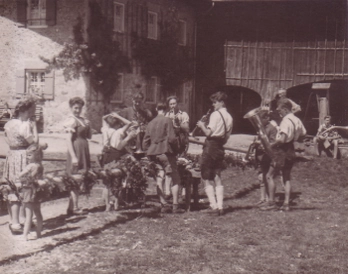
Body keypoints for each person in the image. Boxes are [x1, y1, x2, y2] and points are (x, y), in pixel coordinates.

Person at [262, 98, 306, 211]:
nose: (279, 112)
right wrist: (294, 137)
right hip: (291, 149)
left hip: (281, 151)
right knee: (286, 177)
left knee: (269, 176)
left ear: (285, 109)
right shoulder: (297, 120)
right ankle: (286, 204)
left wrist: (271, 144)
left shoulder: (285, 121)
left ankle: (271, 203)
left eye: (280, 110)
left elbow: (282, 139)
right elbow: (303, 134)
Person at [3, 98, 38, 234]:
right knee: (24, 188)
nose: (33, 113)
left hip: (12, 155)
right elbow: (34, 143)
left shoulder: (9, 124)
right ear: (25, 110)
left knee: (12, 188)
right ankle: (24, 220)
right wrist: (35, 129)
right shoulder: (25, 125)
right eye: (32, 110)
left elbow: (7, 139)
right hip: (24, 156)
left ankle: (14, 222)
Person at [142, 102, 184, 214]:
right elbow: (172, 139)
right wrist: (177, 150)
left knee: (160, 178)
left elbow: (145, 142)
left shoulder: (150, 123)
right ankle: (175, 205)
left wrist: (148, 152)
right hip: (166, 152)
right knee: (175, 178)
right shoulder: (167, 120)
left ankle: (163, 204)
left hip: (153, 154)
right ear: (165, 110)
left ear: (156, 109)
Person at [196, 91, 233, 216]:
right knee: (217, 174)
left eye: (215, 102)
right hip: (220, 147)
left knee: (206, 175)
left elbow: (208, 133)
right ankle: (221, 206)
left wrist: (201, 125)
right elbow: (227, 137)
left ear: (222, 102)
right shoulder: (229, 117)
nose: (213, 105)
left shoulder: (215, 115)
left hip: (211, 146)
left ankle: (213, 206)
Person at [100, 112, 137, 211]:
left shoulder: (105, 130)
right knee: (117, 181)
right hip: (115, 156)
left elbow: (103, 118)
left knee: (107, 182)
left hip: (106, 156)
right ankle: (116, 204)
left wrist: (108, 115)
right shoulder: (119, 132)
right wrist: (118, 116)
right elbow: (129, 123)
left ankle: (107, 205)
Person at [63, 97, 91, 216]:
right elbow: (68, 140)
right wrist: (74, 156)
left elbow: (89, 136)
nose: (77, 110)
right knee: (75, 177)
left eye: (79, 108)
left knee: (79, 177)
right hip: (76, 149)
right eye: (75, 108)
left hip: (83, 149)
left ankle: (71, 208)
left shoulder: (82, 120)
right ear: (71, 108)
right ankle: (74, 207)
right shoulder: (71, 120)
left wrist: (89, 126)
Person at [16, 143, 47, 240]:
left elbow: (21, 175)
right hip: (37, 191)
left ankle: (25, 235)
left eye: (29, 155)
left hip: (29, 191)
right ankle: (39, 232)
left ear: (36, 155)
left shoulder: (31, 166)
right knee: (38, 212)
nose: (27, 157)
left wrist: (20, 176)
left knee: (28, 214)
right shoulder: (40, 166)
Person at [164, 96, 190, 197]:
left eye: (174, 104)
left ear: (178, 104)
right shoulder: (167, 114)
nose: (173, 106)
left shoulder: (183, 114)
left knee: (181, 165)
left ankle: (183, 190)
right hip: (171, 144)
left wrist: (178, 124)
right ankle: (167, 191)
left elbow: (187, 128)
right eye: (171, 104)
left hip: (181, 143)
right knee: (169, 166)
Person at [254, 110, 278, 207]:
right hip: (262, 155)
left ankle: (270, 200)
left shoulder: (272, 128)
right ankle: (264, 199)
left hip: (269, 155)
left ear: (267, 118)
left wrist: (262, 144)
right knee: (262, 177)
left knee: (268, 176)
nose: (259, 121)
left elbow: (273, 142)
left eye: (261, 119)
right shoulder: (262, 128)